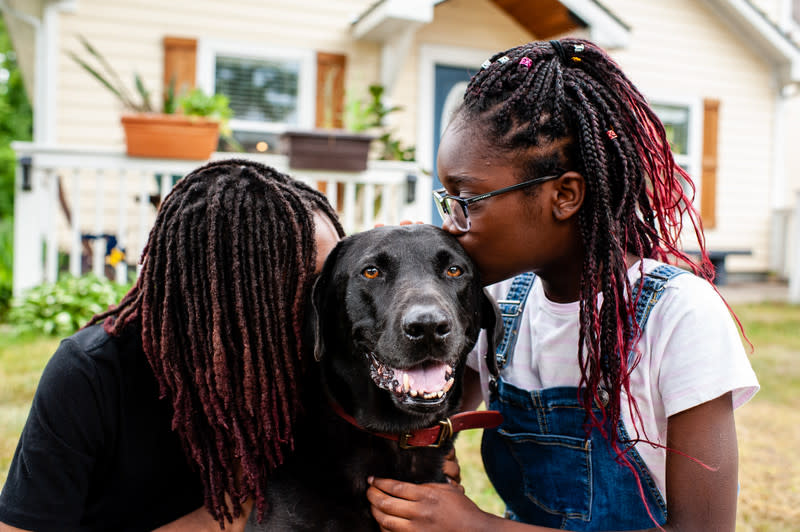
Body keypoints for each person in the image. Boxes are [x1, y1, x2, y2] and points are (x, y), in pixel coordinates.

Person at [366, 38, 759, 531]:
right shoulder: (500, 305)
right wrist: (408, 271)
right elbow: (422, 413)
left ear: (565, 195)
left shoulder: (679, 315)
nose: (452, 225)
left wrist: (482, 528)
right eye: (448, 201)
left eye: (467, 199)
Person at [0, 159, 344, 532]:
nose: (333, 301)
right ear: (231, 295)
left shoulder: (327, 362)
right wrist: (231, 515)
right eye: (313, 284)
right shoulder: (91, 374)